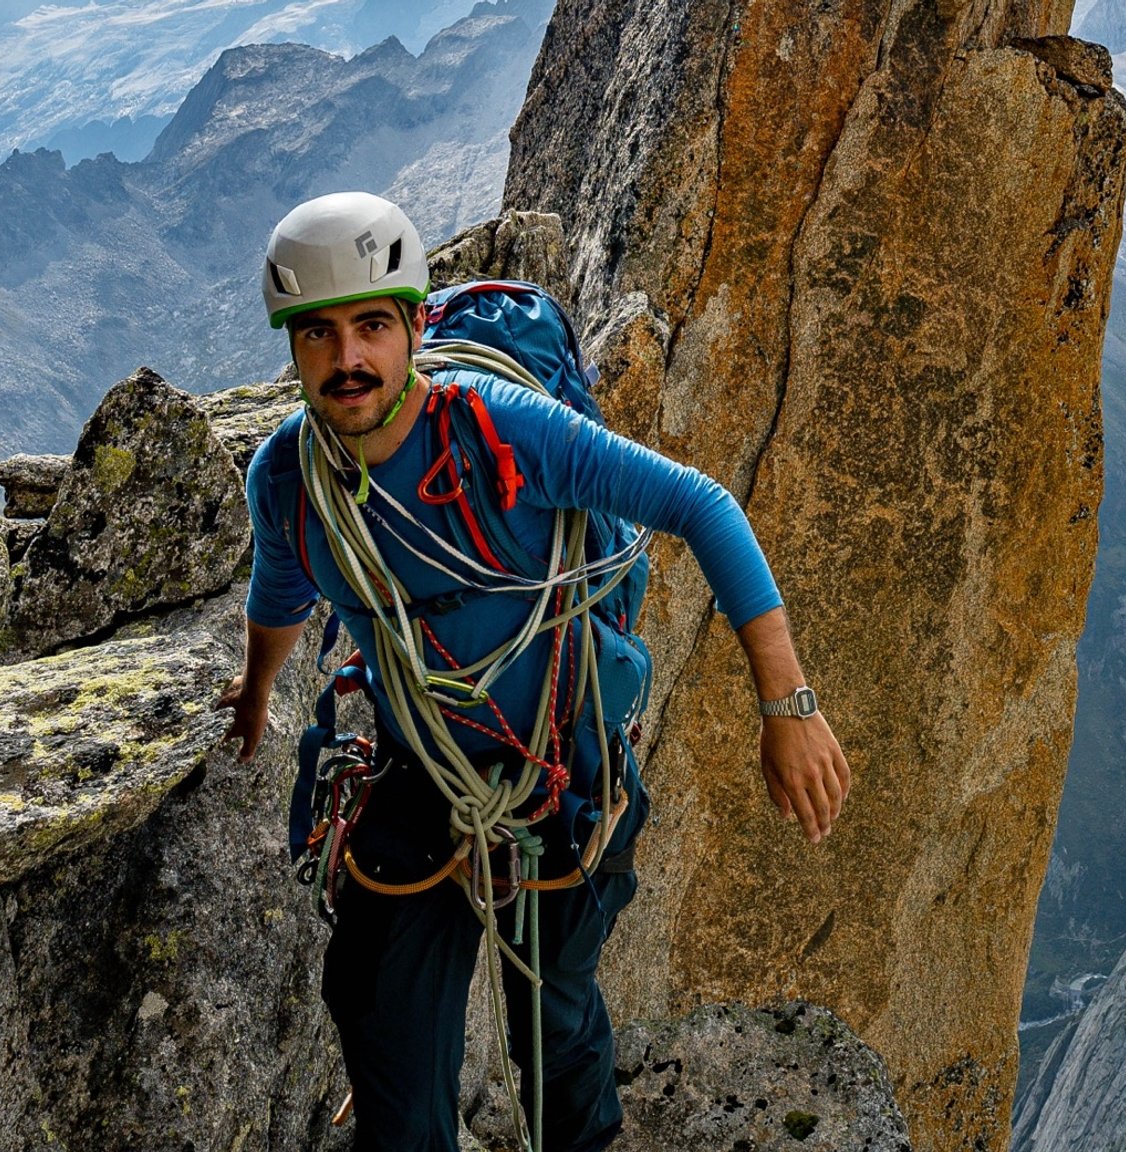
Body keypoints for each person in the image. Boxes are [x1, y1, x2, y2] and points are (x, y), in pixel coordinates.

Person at [215, 191, 850, 1152]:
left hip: (565, 762)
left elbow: (704, 505)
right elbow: (282, 592)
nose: (348, 360)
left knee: (550, 1019)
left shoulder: (501, 432)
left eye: (372, 328)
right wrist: (259, 691)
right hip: (423, 760)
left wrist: (789, 705)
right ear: (293, 347)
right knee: (374, 996)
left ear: (414, 328)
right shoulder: (288, 480)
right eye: (320, 335)